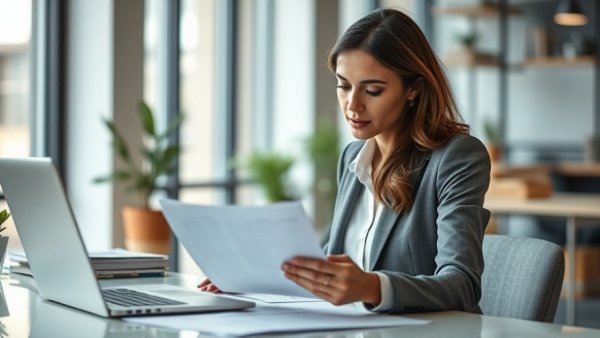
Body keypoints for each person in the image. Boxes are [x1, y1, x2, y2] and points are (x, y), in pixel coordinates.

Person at [200, 8, 490, 314]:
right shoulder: (353, 158)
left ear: (413, 90)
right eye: (344, 85)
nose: (353, 105)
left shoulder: (456, 158)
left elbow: (462, 286)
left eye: (373, 90)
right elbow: (326, 264)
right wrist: (251, 277)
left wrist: (370, 286)